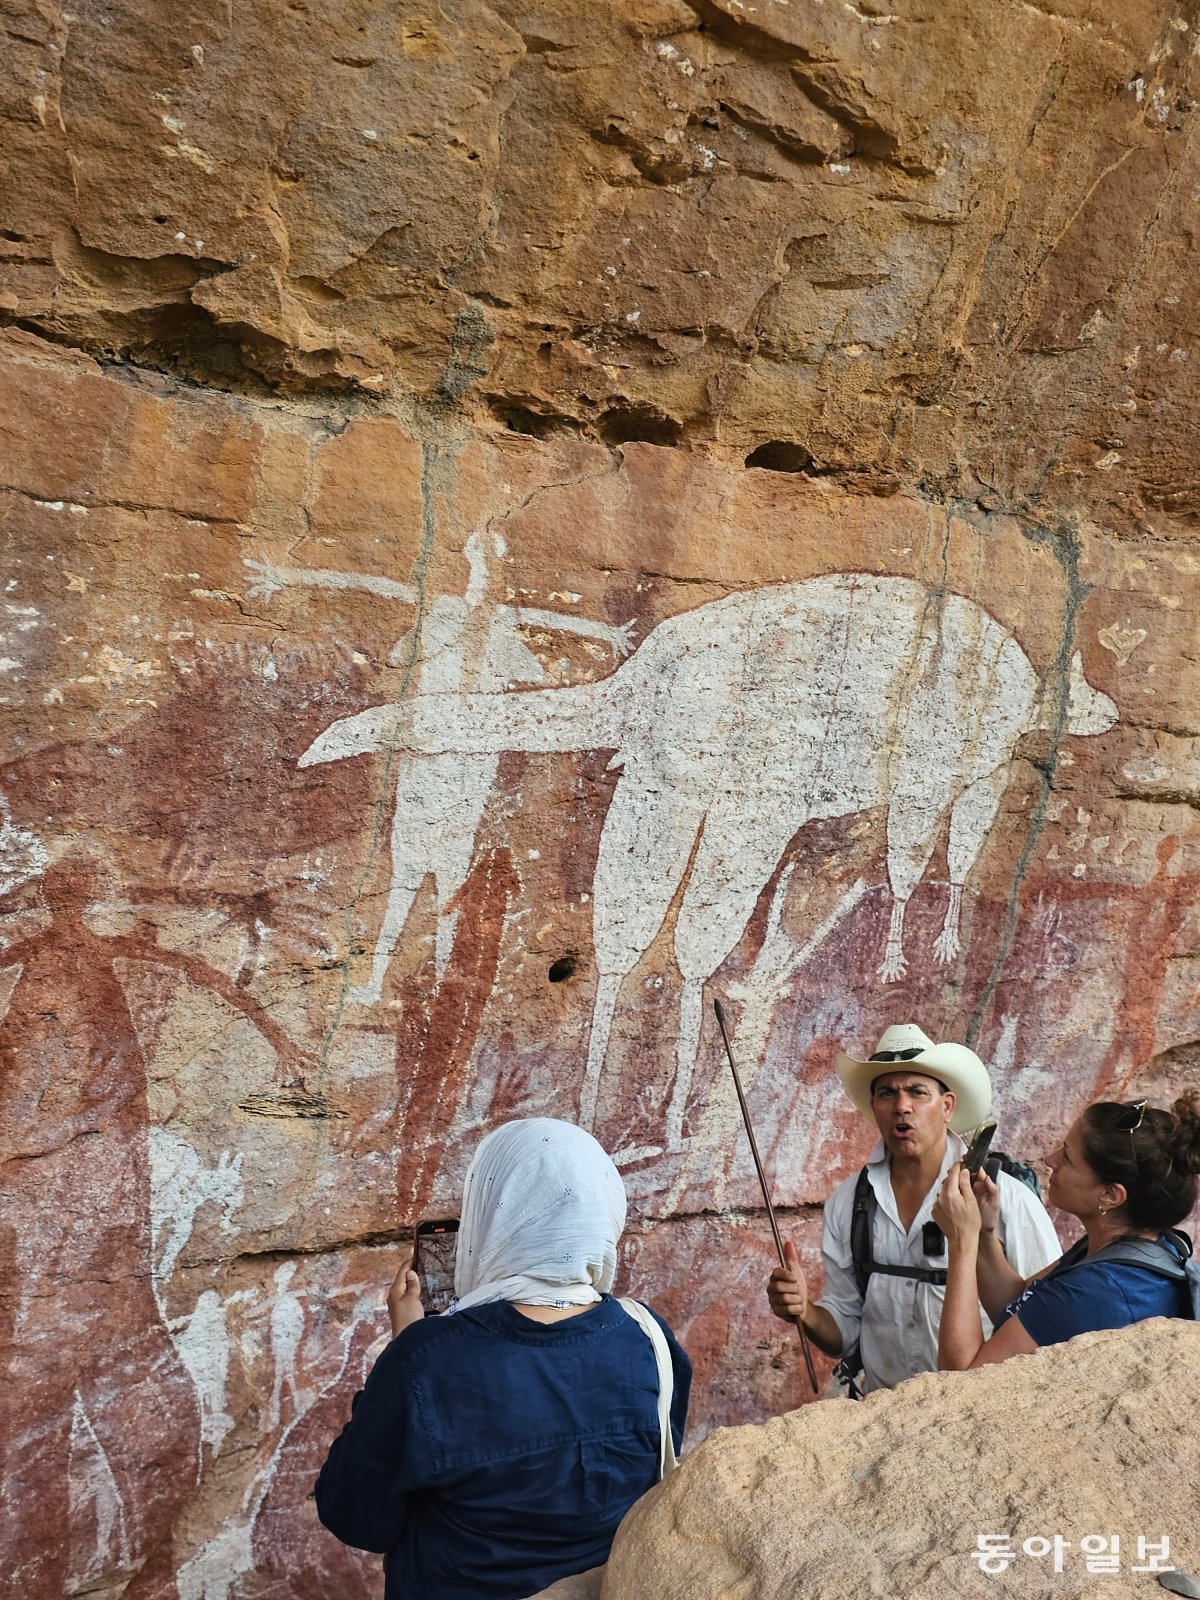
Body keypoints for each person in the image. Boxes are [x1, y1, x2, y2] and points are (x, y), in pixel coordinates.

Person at [315, 1118, 690, 1600]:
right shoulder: (649, 1335)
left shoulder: (426, 1360)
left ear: (494, 1217)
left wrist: (406, 1343)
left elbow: (357, 1517)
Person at [766, 1023, 1061, 1394]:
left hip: (982, 1414)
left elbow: (1049, 1316)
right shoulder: (848, 1204)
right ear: (874, 1108)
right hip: (882, 1415)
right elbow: (845, 1333)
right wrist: (805, 1311)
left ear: (947, 1106)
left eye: (917, 1092)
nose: (902, 1107)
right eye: (887, 1093)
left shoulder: (1005, 1198)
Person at [934, 1091, 1200, 1368]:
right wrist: (983, 1233)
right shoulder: (1133, 1248)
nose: (1050, 1160)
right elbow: (1020, 1306)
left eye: (1068, 1157)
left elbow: (961, 1376)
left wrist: (961, 1241)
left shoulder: (1098, 1290)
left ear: (1110, 1195)